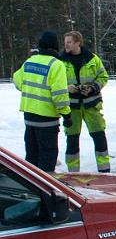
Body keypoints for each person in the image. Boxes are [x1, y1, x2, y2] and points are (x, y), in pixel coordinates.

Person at [12, 31, 72, 172]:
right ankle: (46, 189)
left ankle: (31, 186)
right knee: (47, 156)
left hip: (29, 117)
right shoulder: (56, 64)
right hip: (47, 120)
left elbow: (17, 80)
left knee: (31, 156)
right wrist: (66, 114)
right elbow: (59, 94)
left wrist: (30, 90)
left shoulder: (30, 61)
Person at [60, 31, 111, 173]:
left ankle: (105, 171)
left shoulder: (93, 59)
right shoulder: (60, 61)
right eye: (65, 42)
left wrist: (93, 87)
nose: (66, 45)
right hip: (72, 107)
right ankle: (73, 173)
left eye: (69, 42)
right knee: (72, 140)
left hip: (91, 104)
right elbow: (55, 83)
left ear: (78, 43)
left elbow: (103, 77)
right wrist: (66, 88)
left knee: (99, 136)